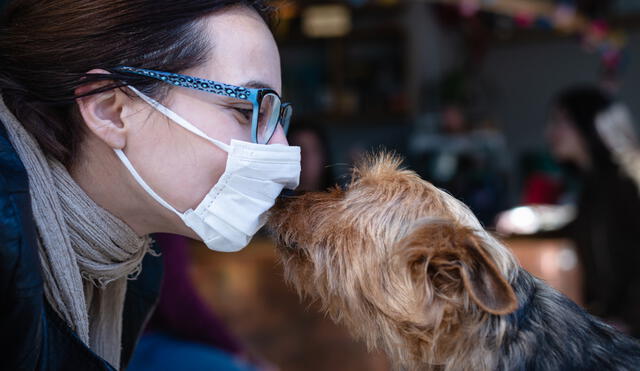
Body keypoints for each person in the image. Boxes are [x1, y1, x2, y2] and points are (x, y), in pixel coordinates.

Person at [0, 1, 300, 370]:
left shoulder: (131, 267)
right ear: (109, 108)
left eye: (276, 117)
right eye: (245, 110)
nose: (282, 151)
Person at [543, 85, 640, 337]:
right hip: (612, 322)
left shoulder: (628, 177)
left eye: (560, 120)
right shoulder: (592, 185)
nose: (550, 132)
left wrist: (631, 318)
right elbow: (584, 230)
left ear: (591, 123)